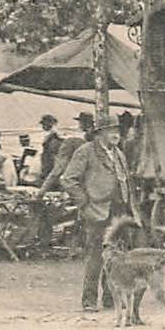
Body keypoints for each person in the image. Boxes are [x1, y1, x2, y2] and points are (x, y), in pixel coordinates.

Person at [60, 118, 137, 312]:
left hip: (120, 210)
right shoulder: (86, 151)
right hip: (97, 211)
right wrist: (84, 203)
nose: (116, 134)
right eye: (111, 130)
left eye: (118, 130)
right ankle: (89, 300)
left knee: (118, 256)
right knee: (96, 256)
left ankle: (111, 298)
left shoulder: (118, 153)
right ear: (99, 132)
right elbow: (69, 179)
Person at [43, 112, 95, 192]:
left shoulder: (82, 138)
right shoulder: (90, 135)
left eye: (80, 122)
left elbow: (58, 168)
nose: (79, 124)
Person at [37, 115, 62, 185]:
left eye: (43, 124)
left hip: (50, 164)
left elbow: (53, 156)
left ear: (49, 123)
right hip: (49, 163)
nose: (42, 126)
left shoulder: (54, 137)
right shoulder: (51, 135)